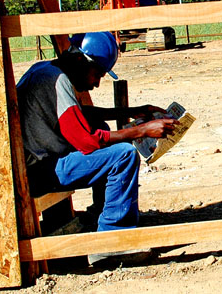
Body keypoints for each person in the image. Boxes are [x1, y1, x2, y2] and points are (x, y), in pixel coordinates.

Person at [16, 31, 178, 236]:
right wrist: (142, 130)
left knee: (102, 127)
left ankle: (100, 215)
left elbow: (77, 115)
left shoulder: (45, 70)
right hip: (38, 173)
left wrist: (131, 112)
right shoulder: (57, 82)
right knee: (124, 155)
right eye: (97, 74)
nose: (97, 83)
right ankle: (114, 237)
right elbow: (87, 142)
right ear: (78, 60)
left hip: (34, 166)